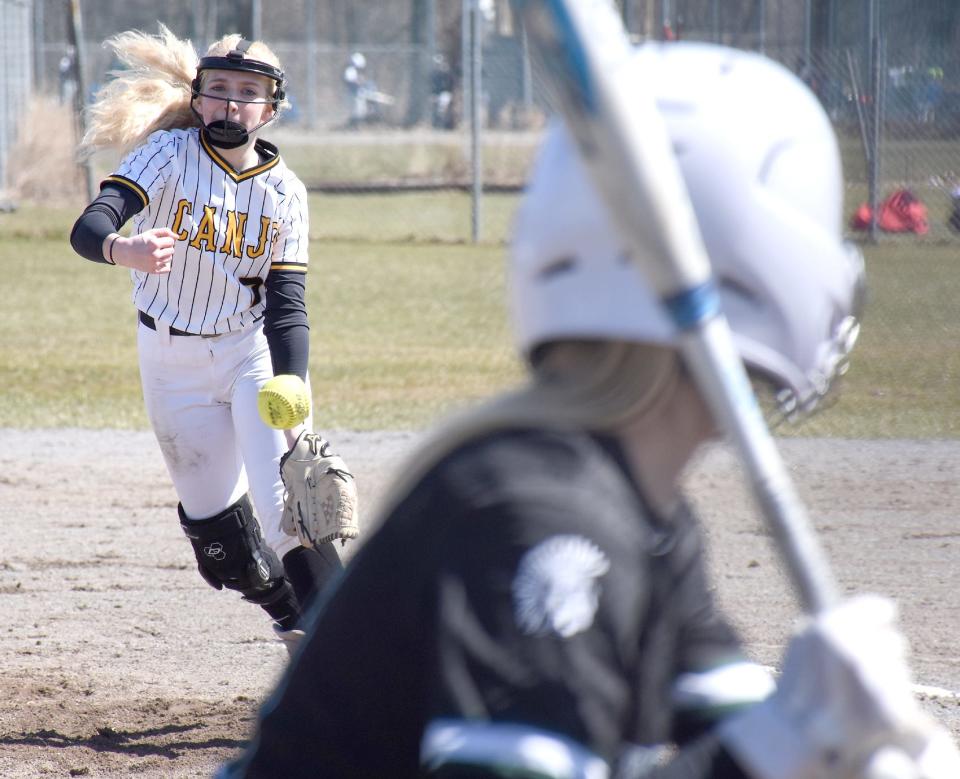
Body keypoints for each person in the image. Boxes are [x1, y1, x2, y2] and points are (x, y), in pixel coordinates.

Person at [220, 43, 960, 778]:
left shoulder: (641, 508)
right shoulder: (541, 514)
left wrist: (849, 749)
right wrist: (765, 753)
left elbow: (724, 718)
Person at [68, 26, 345, 654]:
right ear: (198, 99)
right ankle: (289, 615)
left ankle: (349, 660)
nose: (230, 103)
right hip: (169, 360)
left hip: (251, 354)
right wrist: (121, 247)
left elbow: (288, 302)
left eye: (248, 92)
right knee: (224, 547)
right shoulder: (166, 155)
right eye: (217, 89)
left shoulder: (285, 192)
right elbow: (91, 224)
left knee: (288, 511)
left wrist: (293, 383)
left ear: (271, 108)